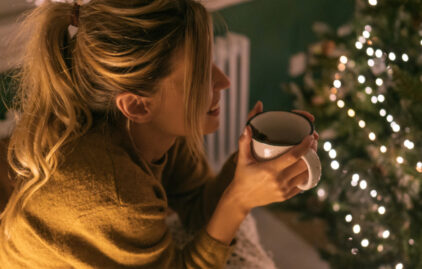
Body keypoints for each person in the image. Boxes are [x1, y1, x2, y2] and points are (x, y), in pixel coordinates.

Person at [0, 0, 318, 268]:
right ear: (137, 106)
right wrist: (238, 202)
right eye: (200, 75)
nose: (223, 81)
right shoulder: (114, 194)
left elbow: (197, 207)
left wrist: (244, 164)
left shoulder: (158, 132)